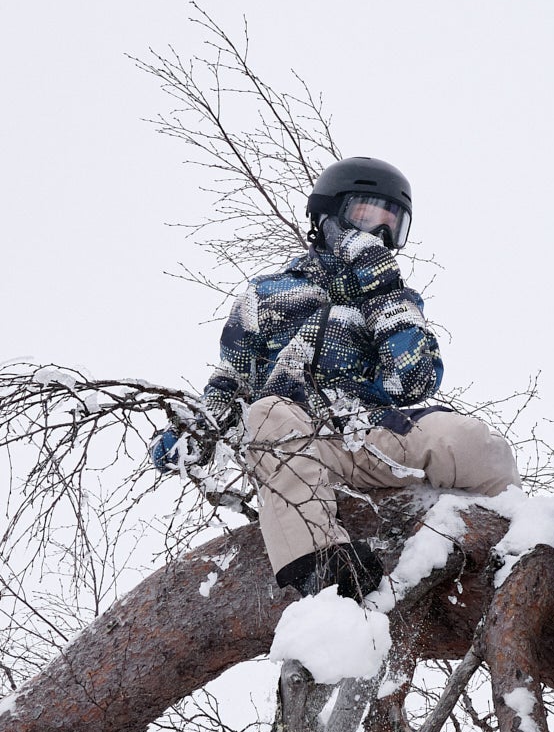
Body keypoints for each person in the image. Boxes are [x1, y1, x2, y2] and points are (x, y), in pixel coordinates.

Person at [150, 157, 516, 600]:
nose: (377, 235)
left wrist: (382, 290)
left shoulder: (394, 297)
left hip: (372, 432)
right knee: (267, 415)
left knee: (471, 439)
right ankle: (324, 569)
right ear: (328, 216)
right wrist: (195, 430)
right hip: (299, 438)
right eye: (365, 216)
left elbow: (414, 381)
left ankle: (514, 550)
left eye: (391, 226)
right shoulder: (269, 294)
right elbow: (232, 379)